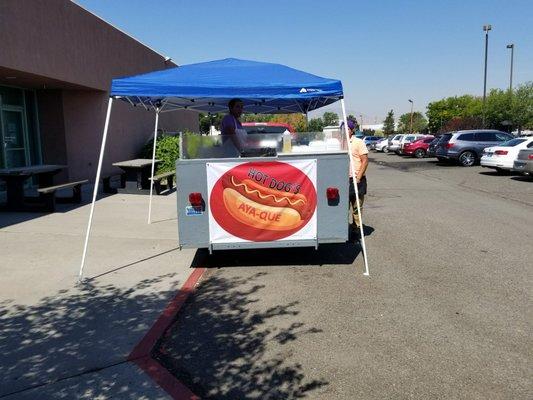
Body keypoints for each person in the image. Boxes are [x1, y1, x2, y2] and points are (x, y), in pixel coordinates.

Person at [346, 119, 369, 239]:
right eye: (342, 129)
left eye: (347, 129)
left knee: (357, 209)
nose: (345, 131)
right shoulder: (340, 142)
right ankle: (343, 232)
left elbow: (365, 161)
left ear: (352, 130)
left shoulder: (358, 142)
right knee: (343, 208)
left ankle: (356, 232)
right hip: (343, 181)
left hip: (356, 180)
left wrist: (358, 177)